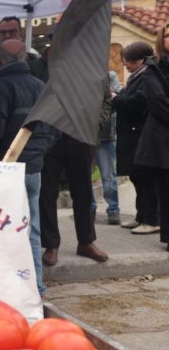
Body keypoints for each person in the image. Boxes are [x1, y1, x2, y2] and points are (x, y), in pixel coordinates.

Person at [0, 39, 57, 298]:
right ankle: (36, 289)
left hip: (4, 171)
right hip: (33, 170)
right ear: (25, 58)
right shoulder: (42, 87)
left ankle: (1, 290)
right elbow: (54, 130)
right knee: (30, 231)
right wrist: (38, 154)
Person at [31, 28, 110, 265]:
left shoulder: (91, 67)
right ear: (51, 42)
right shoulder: (37, 67)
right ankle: (51, 244)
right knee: (47, 192)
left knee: (83, 190)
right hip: (49, 137)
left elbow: (106, 99)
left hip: (81, 136)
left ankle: (86, 241)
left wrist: (95, 124)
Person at [112, 43, 159, 234]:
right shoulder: (137, 76)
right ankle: (141, 216)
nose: (124, 64)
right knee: (137, 178)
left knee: (145, 179)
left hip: (140, 135)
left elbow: (138, 102)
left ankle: (152, 220)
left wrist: (115, 98)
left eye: (128, 60)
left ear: (139, 59)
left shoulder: (148, 76)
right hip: (132, 135)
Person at [91, 70, 122, 225]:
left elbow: (115, 97)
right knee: (85, 176)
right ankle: (90, 209)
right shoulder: (83, 75)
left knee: (108, 176)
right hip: (86, 134)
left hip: (106, 135)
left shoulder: (111, 75)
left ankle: (113, 210)